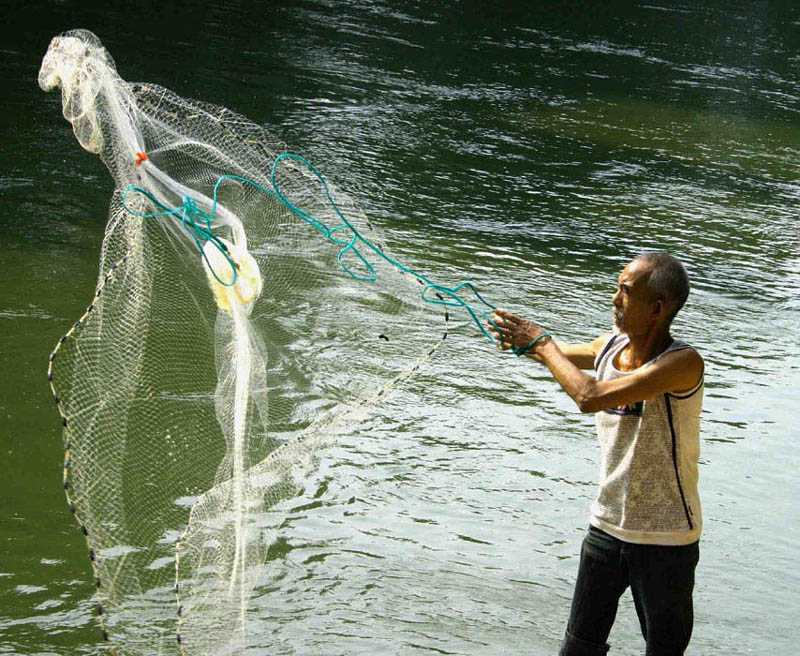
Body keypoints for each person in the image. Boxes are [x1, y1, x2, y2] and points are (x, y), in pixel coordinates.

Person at [488, 253, 703, 656]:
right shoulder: (608, 348)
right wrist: (521, 340)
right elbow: (554, 357)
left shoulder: (682, 363)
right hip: (606, 528)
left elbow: (589, 396)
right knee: (578, 648)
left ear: (658, 307)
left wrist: (543, 342)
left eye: (625, 291)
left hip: (667, 539)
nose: (614, 299)